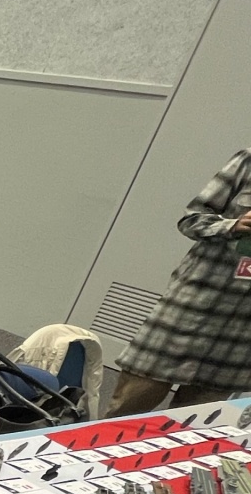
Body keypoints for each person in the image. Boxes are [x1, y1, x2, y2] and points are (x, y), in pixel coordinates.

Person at [106, 149, 251, 414]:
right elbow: (191, 219)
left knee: (195, 423)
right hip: (194, 306)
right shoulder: (248, 161)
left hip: (241, 333)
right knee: (129, 406)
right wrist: (232, 226)